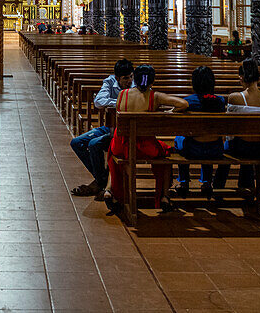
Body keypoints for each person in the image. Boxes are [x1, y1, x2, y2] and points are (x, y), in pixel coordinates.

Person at [104, 64, 189, 214]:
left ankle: (110, 191)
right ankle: (164, 196)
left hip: (121, 142)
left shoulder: (122, 94)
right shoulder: (155, 96)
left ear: (135, 79)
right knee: (165, 152)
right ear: (152, 81)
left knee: (113, 152)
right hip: (143, 146)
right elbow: (184, 103)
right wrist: (170, 111)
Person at [216, 59, 260, 202]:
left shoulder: (235, 98)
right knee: (247, 142)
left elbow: (229, 127)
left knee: (227, 147)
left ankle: (218, 187)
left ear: (241, 77)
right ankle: (247, 184)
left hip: (242, 148)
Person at [70, 59, 133, 199]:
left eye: (130, 77)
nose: (129, 81)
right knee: (77, 143)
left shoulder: (137, 84)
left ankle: (100, 183)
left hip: (127, 131)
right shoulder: (109, 82)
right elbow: (99, 102)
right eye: (125, 78)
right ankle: (103, 180)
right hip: (110, 128)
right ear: (117, 78)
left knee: (94, 144)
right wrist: (122, 102)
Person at [173, 65, 228, 203]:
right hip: (215, 149)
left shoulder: (188, 102)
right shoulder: (220, 101)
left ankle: (184, 180)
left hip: (192, 150)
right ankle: (206, 181)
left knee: (181, 138)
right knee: (208, 136)